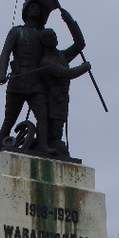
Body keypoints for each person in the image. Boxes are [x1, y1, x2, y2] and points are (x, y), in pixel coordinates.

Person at [0, 0, 52, 154]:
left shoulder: (42, 35)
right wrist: (1, 74)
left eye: (38, 7)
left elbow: (54, 55)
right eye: (32, 7)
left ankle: (42, 146)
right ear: (25, 11)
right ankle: (2, 147)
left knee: (43, 116)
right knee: (10, 119)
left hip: (35, 82)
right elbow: (5, 53)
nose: (36, 9)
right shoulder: (16, 31)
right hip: (18, 79)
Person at [39, 11, 90, 159]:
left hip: (62, 98)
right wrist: (84, 68)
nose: (54, 38)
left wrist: (70, 22)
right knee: (53, 131)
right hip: (51, 99)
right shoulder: (46, 61)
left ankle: (55, 148)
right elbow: (66, 73)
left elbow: (80, 44)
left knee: (58, 128)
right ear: (44, 42)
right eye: (50, 37)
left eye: (54, 35)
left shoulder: (61, 55)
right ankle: (48, 147)